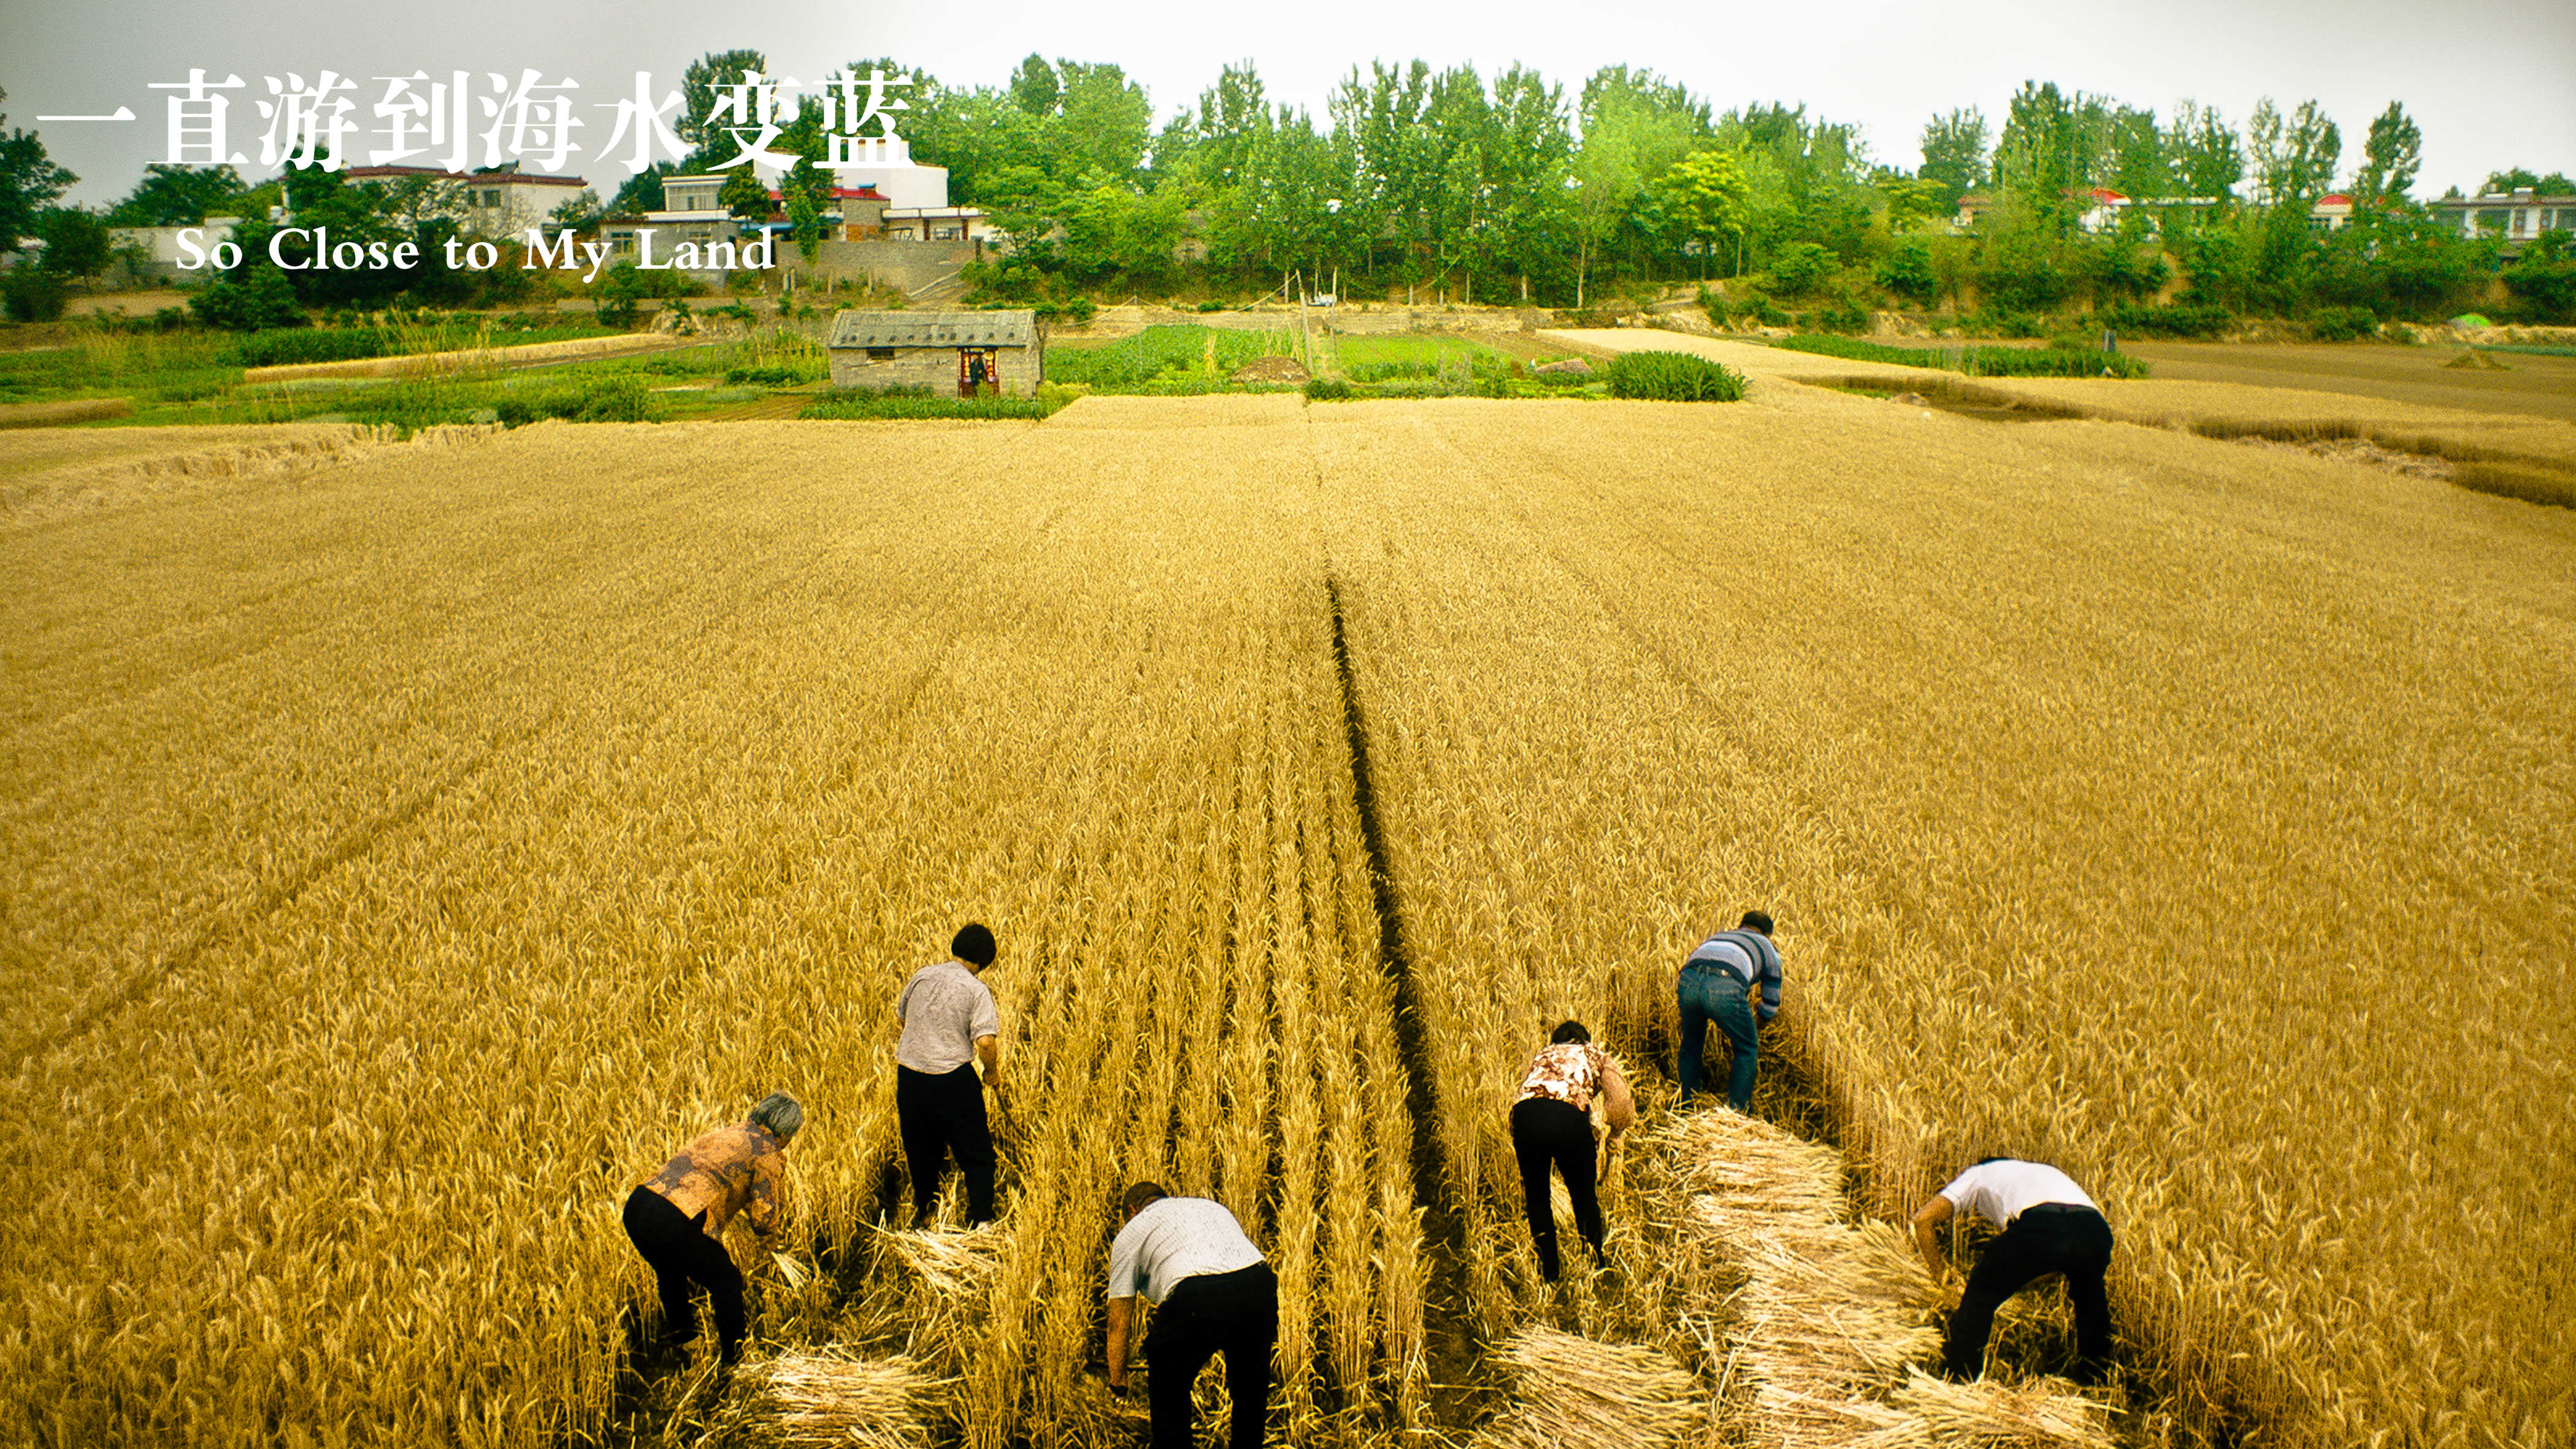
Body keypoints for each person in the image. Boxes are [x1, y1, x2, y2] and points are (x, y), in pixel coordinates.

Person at [623, 1092, 802, 1366]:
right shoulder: (768, 1152)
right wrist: (772, 1241)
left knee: (670, 1272)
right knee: (726, 1281)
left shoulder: (730, 1131)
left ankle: (686, 1349)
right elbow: (763, 1219)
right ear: (786, 1132)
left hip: (639, 1205)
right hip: (675, 1216)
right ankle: (735, 1363)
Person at [1911, 1156, 2116, 1385]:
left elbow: (1923, 1219)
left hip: (2045, 1220)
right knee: (2090, 1302)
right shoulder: (2043, 1172)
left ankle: (1958, 1379)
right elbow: (2054, 1266)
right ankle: (2097, 1382)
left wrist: (1940, 1272)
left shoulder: (1979, 1173)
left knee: (1980, 1288)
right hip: (2097, 1229)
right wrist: (2010, 1285)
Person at [1104, 1182, 1278, 1449]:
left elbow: (1118, 1321)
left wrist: (1118, 1383)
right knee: (1250, 1390)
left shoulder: (1132, 1230)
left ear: (1132, 1210)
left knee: (1167, 1377)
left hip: (1197, 1294)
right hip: (1258, 1283)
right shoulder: (1208, 1207)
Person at [894, 923, 1005, 1226]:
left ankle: (926, 1214)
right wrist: (991, 1073)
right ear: (983, 961)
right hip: (952, 1080)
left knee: (920, 1148)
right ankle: (982, 1219)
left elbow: (902, 1018)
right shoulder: (976, 989)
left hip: (910, 1076)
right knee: (976, 1152)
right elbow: (985, 1041)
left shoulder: (922, 975)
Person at [1509, 1020, 1636, 1282]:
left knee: (1537, 1196)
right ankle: (1595, 1263)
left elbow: (1529, 1091)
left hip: (1524, 1117)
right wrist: (1614, 1133)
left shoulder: (1544, 1054)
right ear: (1585, 1040)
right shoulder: (1594, 1054)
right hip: (1567, 1117)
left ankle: (1550, 1272)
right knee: (1583, 1196)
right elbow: (1621, 1102)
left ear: (1557, 1040)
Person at [1677, 910, 1782, 1112]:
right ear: (1767, 934)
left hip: (1688, 981)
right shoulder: (1767, 946)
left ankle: (1686, 1105)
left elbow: (1692, 963)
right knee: (1747, 1049)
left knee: (1691, 1045)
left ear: (1741, 926)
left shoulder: (1719, 936)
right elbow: (1771, 1002)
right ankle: (1737, 1111)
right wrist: (1757, 1025)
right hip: (1724, 986)